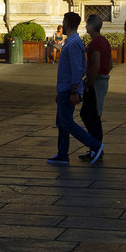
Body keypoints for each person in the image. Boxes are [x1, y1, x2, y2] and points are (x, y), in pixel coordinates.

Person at [46, 11, 102, 166]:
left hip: (68, 89)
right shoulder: (72, 42)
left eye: (64, 22)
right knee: (61, 122)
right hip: (64, 89)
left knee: (67, 123)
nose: (62, 25)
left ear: (67, 24)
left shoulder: (73, 43)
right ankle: (62, 154)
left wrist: (74, 91)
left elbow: (78, 69)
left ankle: (95, 145)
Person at [79, 13, 112, 145]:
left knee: (90, 115)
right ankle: (95, 146)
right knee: (92, 114)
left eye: (87, 24)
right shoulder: (105, 41)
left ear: (91, 27)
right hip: (103, 80)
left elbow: (96, 65)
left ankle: (96, 146)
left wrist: (89, 83)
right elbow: (110, 65)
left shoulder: (95, 43)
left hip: (95, 82)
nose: (86, 26)